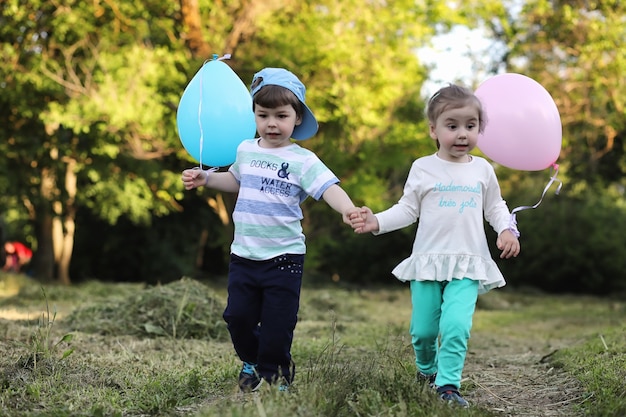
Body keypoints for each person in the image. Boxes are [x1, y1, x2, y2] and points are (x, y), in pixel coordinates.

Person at [181, 68, 360, 392]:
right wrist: (207, 178)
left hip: (285, 258)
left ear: (297, 118)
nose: (272, 123)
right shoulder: (246, 150)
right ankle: (251, 358)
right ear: (254, 115)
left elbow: (328, 187)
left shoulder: (302, 159)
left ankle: (275, 372)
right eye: (263, 115)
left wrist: (348, 209)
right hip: (244, 255)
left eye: (281, 115)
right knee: (237, 317)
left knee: (278, 325)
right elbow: (235, 180)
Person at [350, 84, 521, 407]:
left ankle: (448, 385)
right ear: (434, 129)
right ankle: (426, 371)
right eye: (452, 126)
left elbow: (496, 207)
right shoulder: (423, 168)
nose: (462, 134)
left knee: (456, 326)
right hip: (428, 260)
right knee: (424, 331)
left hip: (468, 261)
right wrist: (376, 222)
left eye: (470, 126)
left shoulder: (483, 170)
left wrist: (507, 230)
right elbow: (408, 209)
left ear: (479, 129)